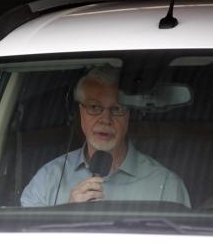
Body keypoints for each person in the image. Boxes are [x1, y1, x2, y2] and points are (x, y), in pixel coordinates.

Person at [20, 66, 191, 207]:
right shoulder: (48, 179)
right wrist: (66, 216)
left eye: (116, 109)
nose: (105, 120)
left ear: (129, 115)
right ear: (80, 113)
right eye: (94, 107)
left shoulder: (166, 185)